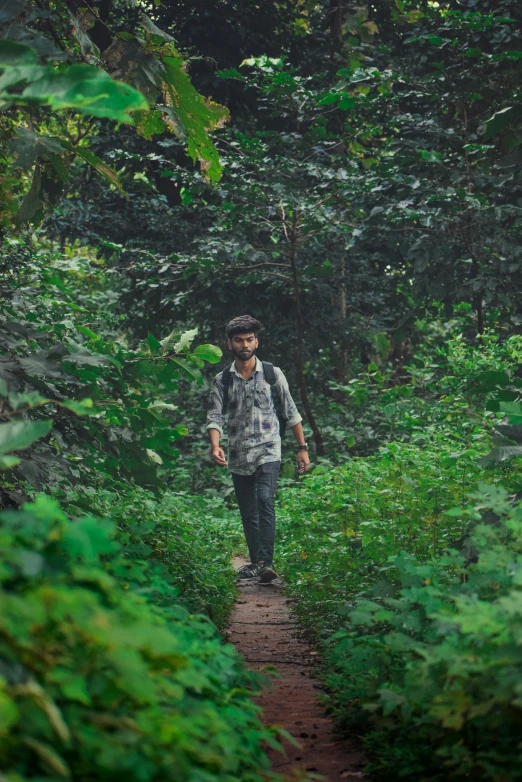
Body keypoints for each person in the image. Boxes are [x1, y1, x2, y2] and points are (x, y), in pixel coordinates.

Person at [206, 315, 311, 583]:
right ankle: (258, 562)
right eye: (239, 340)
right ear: (230, 343)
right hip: (239, 454)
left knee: (264, 499)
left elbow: (291, 411)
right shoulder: (222, 380)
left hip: (269, 450)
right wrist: (215, 445)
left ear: (257, 342)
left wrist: (302, 447)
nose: (245, 344)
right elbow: (215, 416)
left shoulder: (273, 374)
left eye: (249, 339)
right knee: (247, 510)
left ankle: (266, 562)